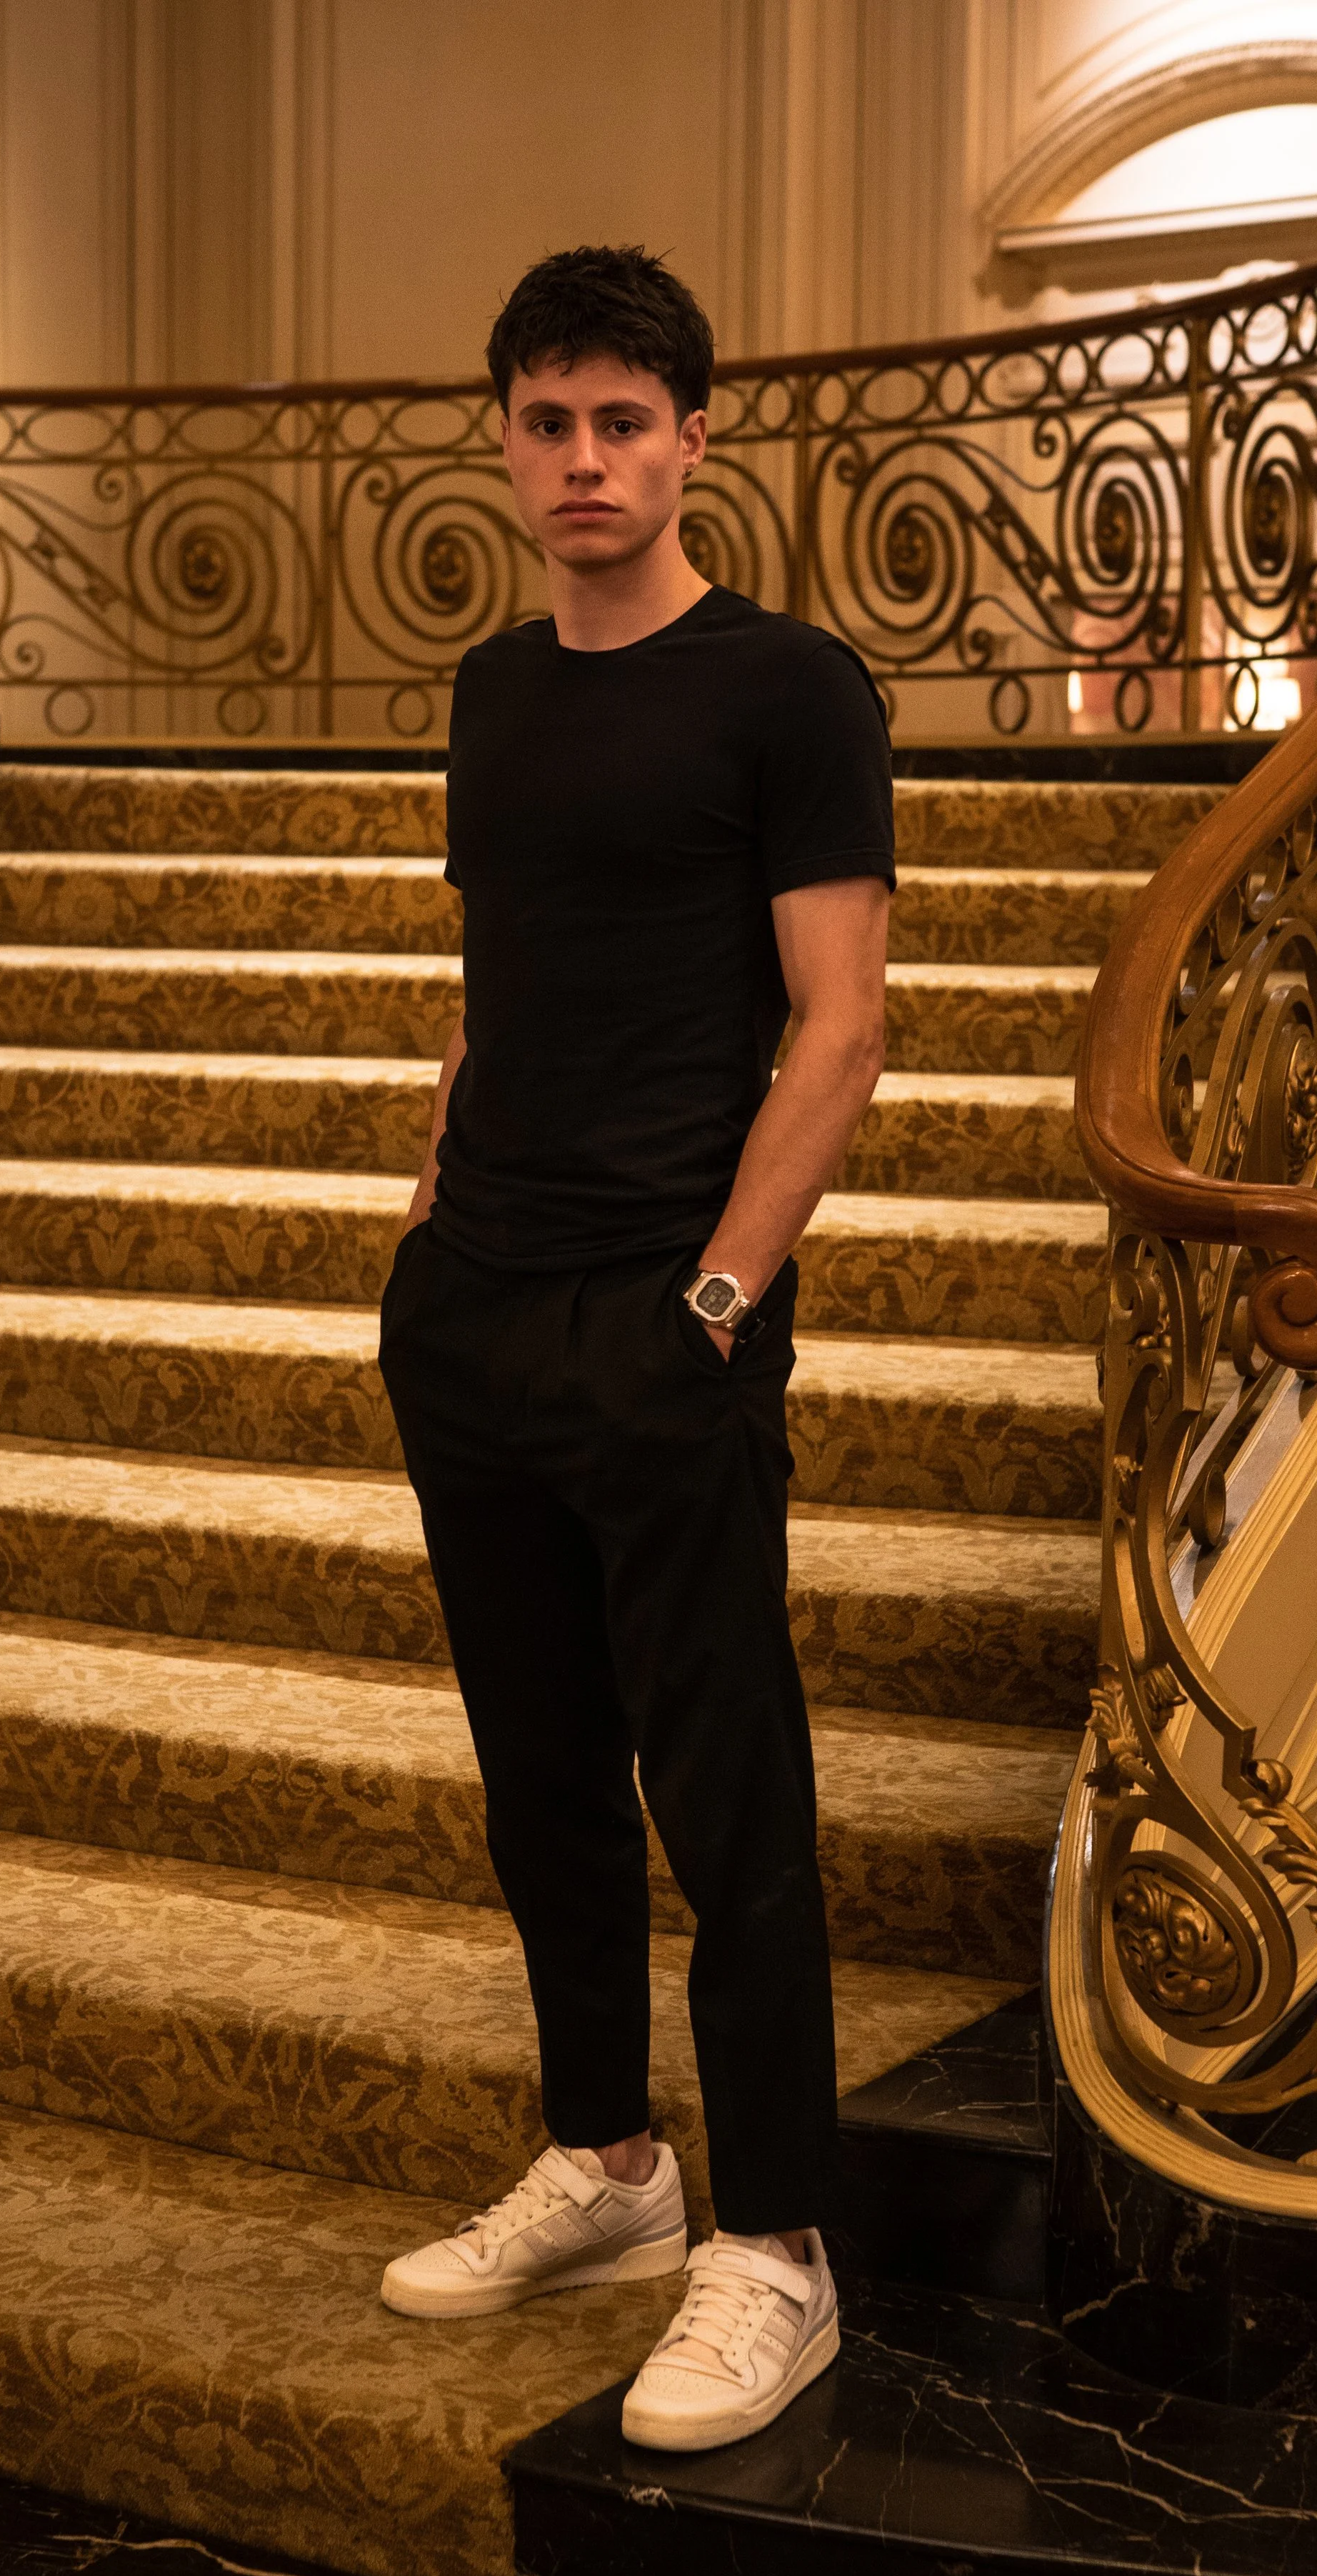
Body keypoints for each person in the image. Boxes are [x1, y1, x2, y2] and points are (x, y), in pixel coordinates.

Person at [376, 244, 893, 2454]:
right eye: (545, 419)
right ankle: (605, 2158)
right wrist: (424, 1237)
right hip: (477, 1310)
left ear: (693, 437)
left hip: (664, 1324)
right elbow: (508, 996)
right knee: (539, 1785)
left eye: (622, 419)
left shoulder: (786, 688)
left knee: (728, 1794)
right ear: (505, 436)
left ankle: (771, 2242)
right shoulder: (494, 692)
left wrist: (713, 1305)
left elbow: (841, 1030)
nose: (582, 459)